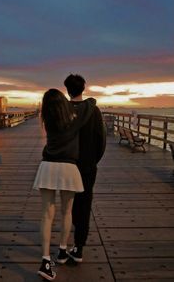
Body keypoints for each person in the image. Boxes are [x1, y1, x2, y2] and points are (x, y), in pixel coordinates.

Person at [33, 88, 96, 281]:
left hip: (48, 166)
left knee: (46, 213)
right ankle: (61, 251)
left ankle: (45, 260)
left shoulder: (47, 119)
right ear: (63, 102)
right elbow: (91, 102)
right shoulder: (74, 118)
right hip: (69, 167)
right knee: (67, 212)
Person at [64, 74, 106, 263]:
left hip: (66, 165)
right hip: (87, 166)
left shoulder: (62, 110)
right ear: (83, 88)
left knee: (67, 205)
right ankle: (79, 247)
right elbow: (101, 140)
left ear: (67, 89)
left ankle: (62, 247)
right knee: (84, 204)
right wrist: (92, 160)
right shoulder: (94, 111)